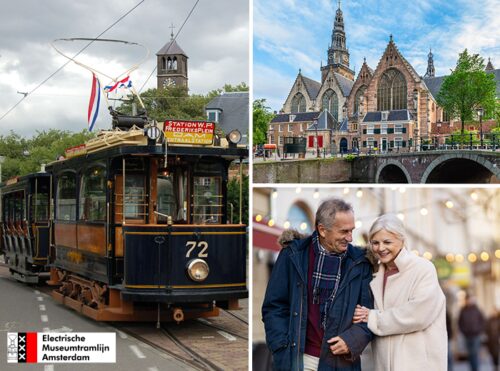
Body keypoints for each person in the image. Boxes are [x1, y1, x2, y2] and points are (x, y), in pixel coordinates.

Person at [262, 198, 373, 370]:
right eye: (344, 231)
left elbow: (369, 315)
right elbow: (274, 306)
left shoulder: (360, 263)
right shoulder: (292, 255)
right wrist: (281, 348)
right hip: (297, 361)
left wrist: (352, 341)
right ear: (322, 230)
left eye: (352, 231)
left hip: (341, 364)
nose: (350, 238)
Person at [352, 214, 447, 371]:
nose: (381, 248)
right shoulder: (373, 275)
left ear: (402, 240)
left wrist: (373, 317)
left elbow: (417, 315)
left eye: (387, 242)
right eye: (375, 243)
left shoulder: (423, 269)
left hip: (419, 365)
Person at [458, 293, 485, 371]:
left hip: (476, 335)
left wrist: (479, 330)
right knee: (470, 354)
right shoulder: (462, 310)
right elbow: (460, 322)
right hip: (467, 335)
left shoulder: (477, 309)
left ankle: (476, 368)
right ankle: (472, 368)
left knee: (475, 353)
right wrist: (463, 331)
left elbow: (482, 320)